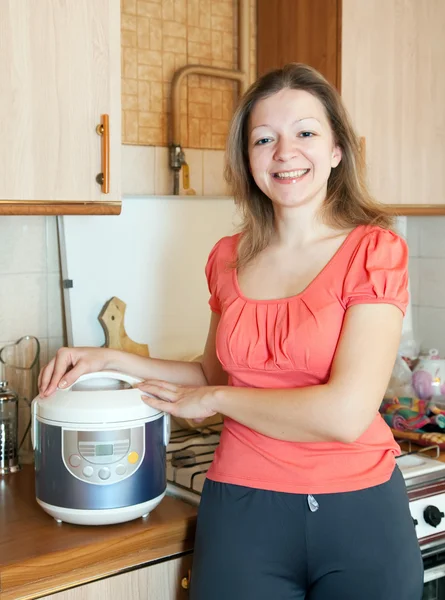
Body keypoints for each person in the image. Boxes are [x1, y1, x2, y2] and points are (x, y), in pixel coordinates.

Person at [39, 63, 423, 599]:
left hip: (359, 514)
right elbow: (211, 371)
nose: (285, 153)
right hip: (244, 509)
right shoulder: (228, 259)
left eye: (306, 133)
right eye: (264, 139)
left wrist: (216, 398)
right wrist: (110, 360)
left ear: (337, 149)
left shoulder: (374, 251)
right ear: (248, 159)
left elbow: (344, 414)